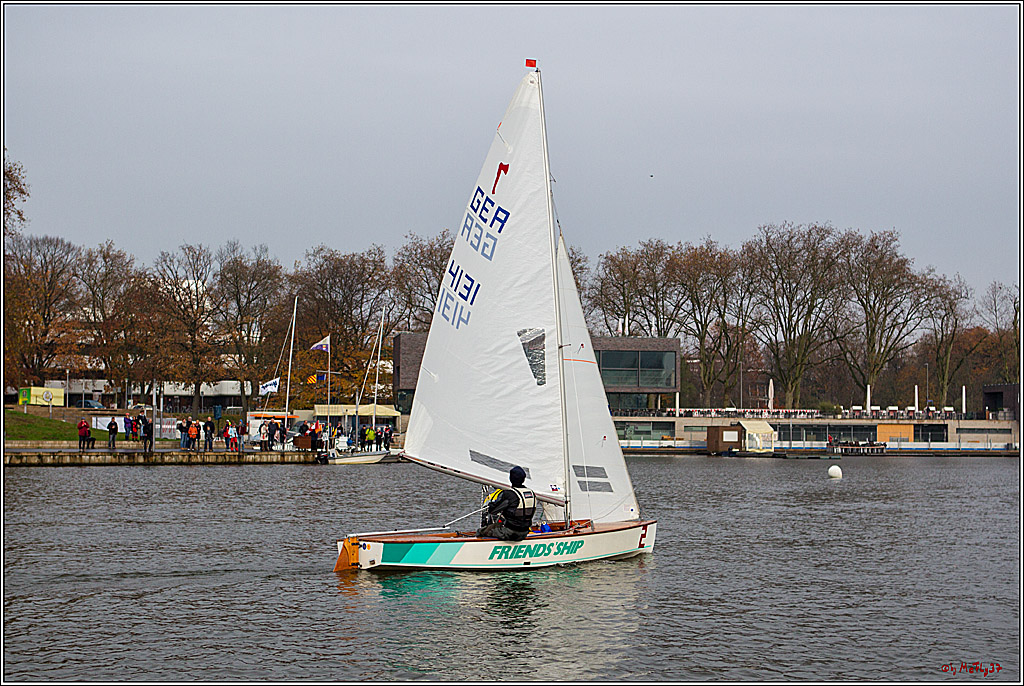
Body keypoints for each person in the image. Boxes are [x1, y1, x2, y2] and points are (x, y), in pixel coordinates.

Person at [476, 466, 537, 541]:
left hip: (510, 533)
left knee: (481, 531)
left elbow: (493, 511)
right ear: (524, 479)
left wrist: (491, 504)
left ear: (510, 479)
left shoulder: (509, 494)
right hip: (525, 532)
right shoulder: (531, 493)